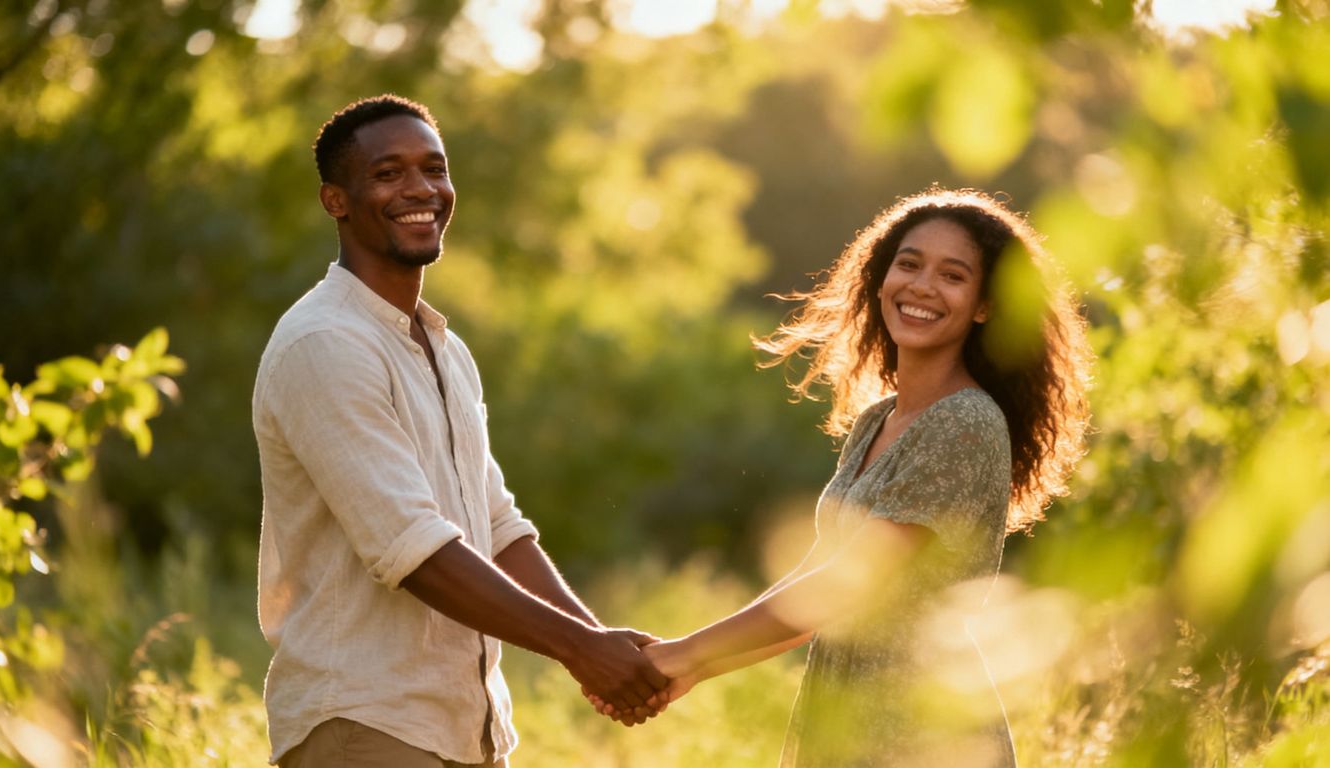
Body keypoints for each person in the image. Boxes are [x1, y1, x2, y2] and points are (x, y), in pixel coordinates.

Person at [594, 187, 1092, 766]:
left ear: (984, 305)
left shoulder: (967, 422)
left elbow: (846, 584)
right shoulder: (878, 420)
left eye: (953, 276)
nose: (923, 286)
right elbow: (811, 590)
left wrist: (679, 654)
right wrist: (692, 670)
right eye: (908, 264)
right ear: (881, 278)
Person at [252, 94, 667, 768]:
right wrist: (582, 650)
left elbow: (496, 527)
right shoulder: (324, 343)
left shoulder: (444, 347)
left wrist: (599, 642)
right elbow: (411, 547)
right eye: (388, 174)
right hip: (364, 726)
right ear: (336, 200)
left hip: (465, 731)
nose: (421, 190)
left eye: (434, 169)